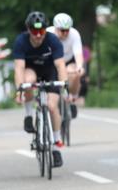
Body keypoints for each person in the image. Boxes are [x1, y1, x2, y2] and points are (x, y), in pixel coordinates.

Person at [12, 11, 69, 166]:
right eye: (34, 31)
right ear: (28, 30)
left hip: (50, 72)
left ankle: (56, 145)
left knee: (51, 106)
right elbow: (19, 68)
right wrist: (19, 90)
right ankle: (29, 115)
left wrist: (65, 85)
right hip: (31, 70)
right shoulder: (21, 41)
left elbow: (60, 65)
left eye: (42, 31)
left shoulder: (53, 40)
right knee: (28, 81)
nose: (38, 35)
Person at [48, 12, 84, 117]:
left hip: (68, 60)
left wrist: (79, 66)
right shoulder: (48, 34)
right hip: (52, 62)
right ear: (55, 28)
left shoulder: (74, 34)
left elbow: (78, 53)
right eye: (62, 30)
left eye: (67, 30)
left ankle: (72, 98)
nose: (65, 33)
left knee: (75, 73)